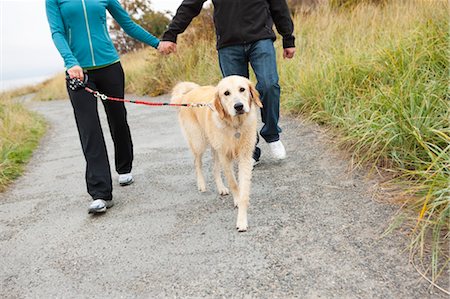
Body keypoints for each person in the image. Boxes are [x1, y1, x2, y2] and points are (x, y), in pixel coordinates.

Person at [46, 0, 161, 214]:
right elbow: (57, 32)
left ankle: (124, 167)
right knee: (89, 129)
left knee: (118, 120)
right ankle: (100, 193)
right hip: (78, 72)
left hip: (110, 67)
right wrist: (71, 62)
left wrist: (157, 43)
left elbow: (127, 23)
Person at [159, 0, 296, 165]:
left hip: (261, 38)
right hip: (229, 45)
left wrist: (288, 38)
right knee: (235, 99)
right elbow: (190, 5)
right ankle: (250, 148)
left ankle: (272, 134)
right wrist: (171, 34)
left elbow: (278, 5)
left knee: (269, 85)